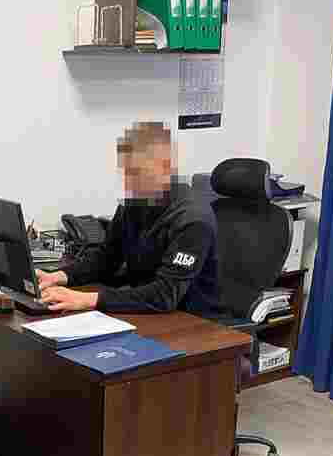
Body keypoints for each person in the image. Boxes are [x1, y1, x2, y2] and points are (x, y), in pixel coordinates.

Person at [36, 121, 221, 316]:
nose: (129, 180)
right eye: (127, 171)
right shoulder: (134, 203)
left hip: (193, 321)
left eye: (138, 172)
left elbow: (165, 295)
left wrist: (88, 299)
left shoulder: (193, 220)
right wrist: (59, 276)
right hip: (145, 311)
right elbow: (106, 259)